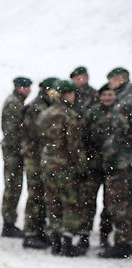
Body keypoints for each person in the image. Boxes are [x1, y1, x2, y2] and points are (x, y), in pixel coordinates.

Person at [36, 80, 87, 257]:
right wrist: (81, 165)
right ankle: (67, 242)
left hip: (48, 164)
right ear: (68, 94)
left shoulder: (45, 114)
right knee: (69, 203)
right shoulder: (69, 115)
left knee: (52, 202)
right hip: (65, 166)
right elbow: (73, 145)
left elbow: (41, 139)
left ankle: (55, 241)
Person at [20, 77, 57, 249]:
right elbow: (38, 134)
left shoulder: (47, 105)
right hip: (34, 157)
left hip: (41, 156)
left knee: (43, 194)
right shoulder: (38, 107)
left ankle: (39, 230)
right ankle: (31, 233)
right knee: (35, 194)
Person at [78, 83, 115, 251]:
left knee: (109, 203)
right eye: (105, 94)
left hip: (113, 167)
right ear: (100, 96)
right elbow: (82, 138)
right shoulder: (91, 113)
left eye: (110, 94)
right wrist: (85, 161)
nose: (107, 97)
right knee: (87, 201)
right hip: (93, 165)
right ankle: (84, 235)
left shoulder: (120, 113)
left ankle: (105, 235)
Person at [101, 67, 132, 258]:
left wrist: (109, 158)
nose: (111, 85)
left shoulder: (124, 102)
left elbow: (120, 135)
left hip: (123, 162)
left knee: (120, 203)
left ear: (119, 80)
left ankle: (123, 243)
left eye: (111, 81)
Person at [0, 76, 31, 238]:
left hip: (14, 151)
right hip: (13, 152)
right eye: (26, 88)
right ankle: (8, 224)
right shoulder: (14, 104)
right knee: (13, 187)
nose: (28, 91)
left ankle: (9, 222)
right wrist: (20, 149)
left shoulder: (17, 102)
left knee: (14, 187)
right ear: (18, 87)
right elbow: (12, 131)